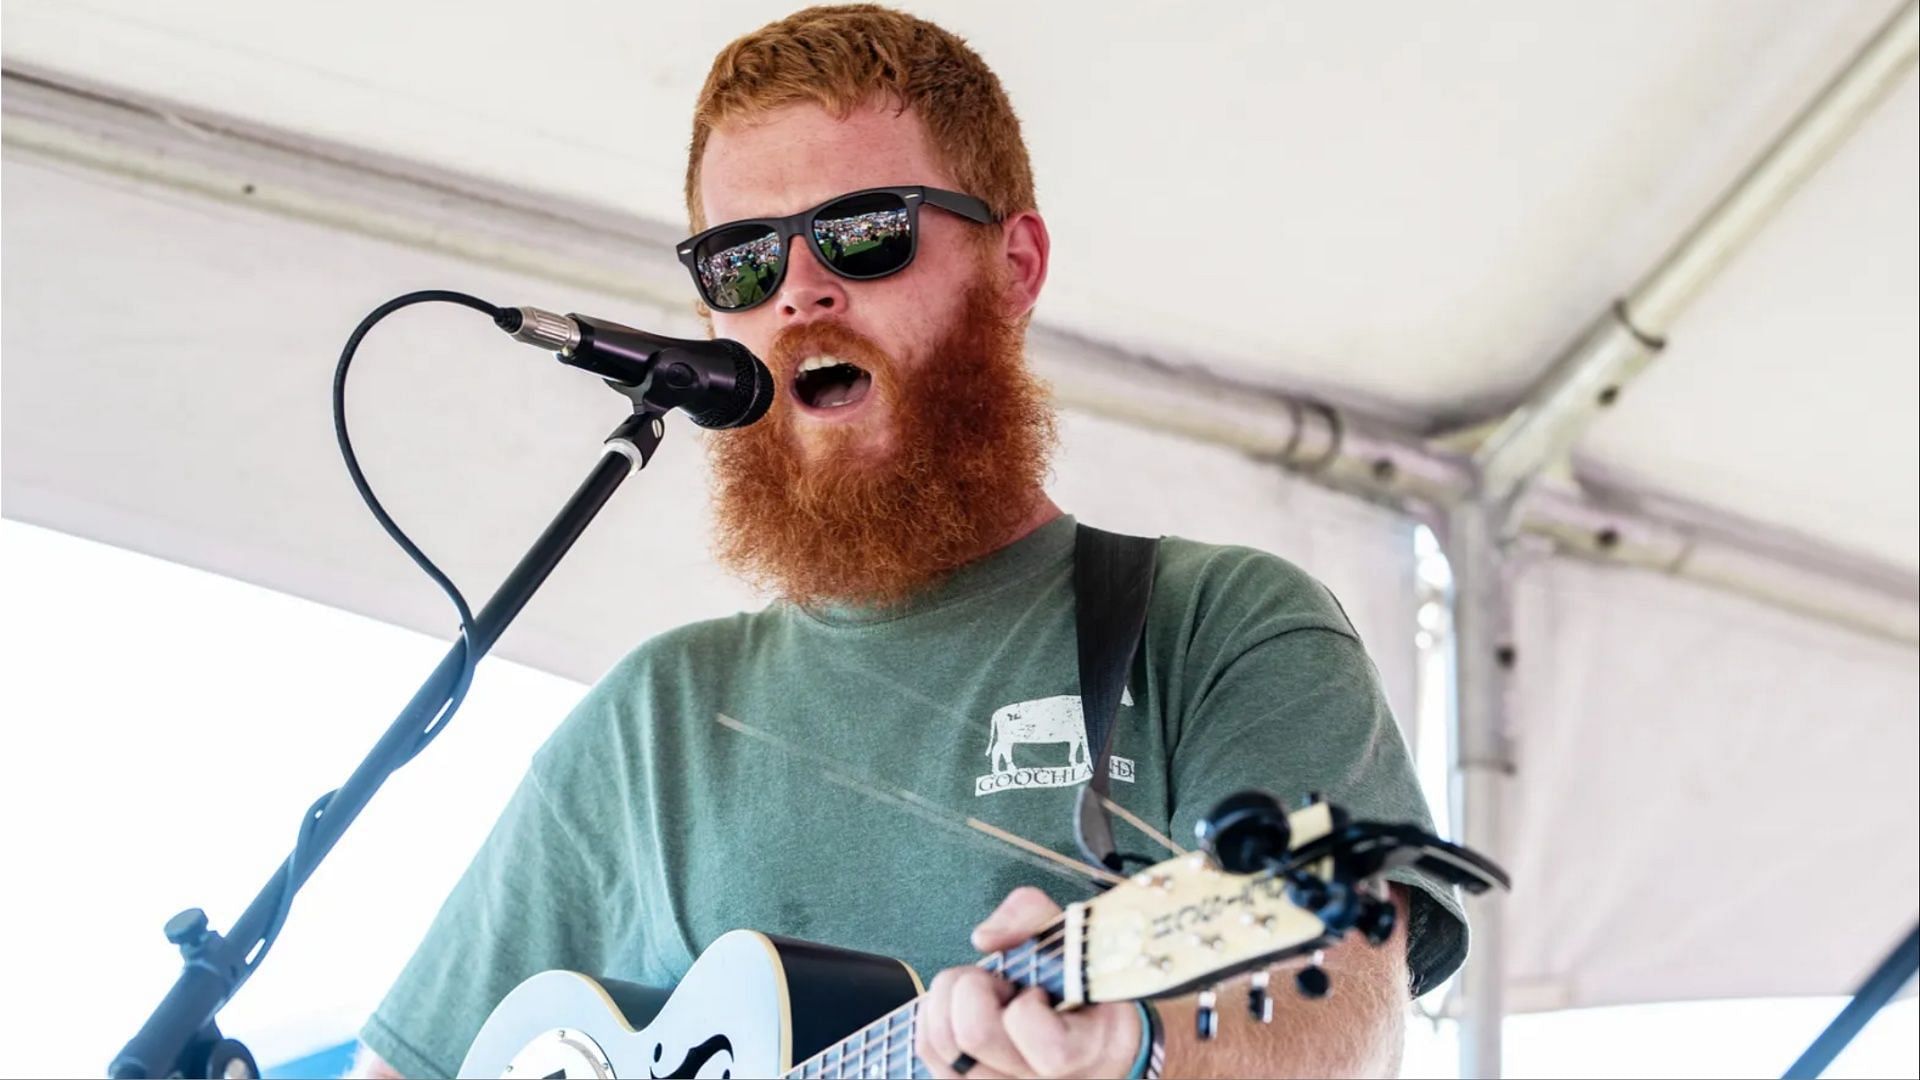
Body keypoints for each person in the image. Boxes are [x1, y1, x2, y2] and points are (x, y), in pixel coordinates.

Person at [355, 6, 1464, 1077]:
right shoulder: (648, 725)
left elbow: (1343, 1015)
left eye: (864, 234)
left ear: (1013, 266)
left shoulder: (1219, 626)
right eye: (742, 259)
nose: (799, 291)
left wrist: (1132, 1050)